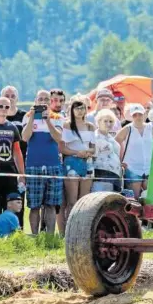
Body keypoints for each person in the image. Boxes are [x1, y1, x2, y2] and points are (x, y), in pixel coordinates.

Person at [22, 90, 64, 235]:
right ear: (35, 100)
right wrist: (33, 118)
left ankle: (50, 236)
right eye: (40, 99)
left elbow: (58, 137)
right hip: (34, 165)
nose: (43, 101)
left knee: (51, 204)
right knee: (34, 205)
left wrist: (47, 120)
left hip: (53, 165)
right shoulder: (28, 116)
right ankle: (34, 236)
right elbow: (25, 137)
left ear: (50, 101)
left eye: (46, 99)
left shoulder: (57, 117)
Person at [59, 100, 95, 234]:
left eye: (82, 108)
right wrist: (77, 153)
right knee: (72, 200)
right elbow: (63, 148)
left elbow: (93, 148)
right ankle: (70, 231)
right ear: (72, 110)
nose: (80, 111)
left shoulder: (90, 126)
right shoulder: (67, 125)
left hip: (87, 162)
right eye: (77, 108)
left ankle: (82, 231)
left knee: (84, 200)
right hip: (72, 162)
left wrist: (87, 153)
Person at [0, 97, 25, 227]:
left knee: (11, 203)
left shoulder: (13, 127)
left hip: (9, 171)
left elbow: (17, 152)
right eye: (1, 106)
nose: (4, 109)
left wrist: (21, 174)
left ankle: (12, 233)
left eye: (7, 107)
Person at [115, 104, 153, 199]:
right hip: (132, 167)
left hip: (149, 167)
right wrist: (120, 161)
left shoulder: (151, 128)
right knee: (134, 199)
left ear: (144, 115)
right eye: (135, 115)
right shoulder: (128, 129)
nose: (138, 117)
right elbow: (115, 144)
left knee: (151, 197)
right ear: (131, 117)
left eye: (140, 114)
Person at [92, 109, 122, 192]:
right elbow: (92, 158)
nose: (108, 124)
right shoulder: (94, 137)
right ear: (98, 122)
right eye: (105, 121)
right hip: (100, 176)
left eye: (111, 121)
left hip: (114, 175)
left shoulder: (110, 137)